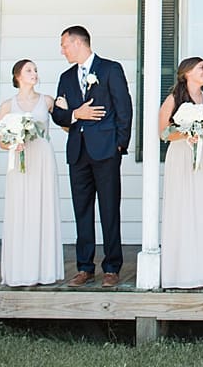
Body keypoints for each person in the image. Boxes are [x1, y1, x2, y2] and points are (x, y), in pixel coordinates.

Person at [51, 25, 133, 288]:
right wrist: (76, 113)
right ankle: (84, 267)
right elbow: (59, 114)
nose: (62, 50)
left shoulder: (110, 69)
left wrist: (119, 145)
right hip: (78, 152)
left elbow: (124, 108)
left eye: (64, 45)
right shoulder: (66, 77)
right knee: (82, 211)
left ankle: (112, 267)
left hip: (106, 150)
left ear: (77, 43)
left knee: (109, 209)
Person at [159, 57, 203, 289]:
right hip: (181, 157)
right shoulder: (173, 100)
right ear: (187, 73)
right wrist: (188, 131)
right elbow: (163, 133)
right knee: (183, 209)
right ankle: (181, 271)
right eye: (202, 68)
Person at [0, 59, 64, 287]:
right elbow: (1, 140)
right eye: (29, 70)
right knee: (21, 209)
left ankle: (44, 268)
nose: (34, 73)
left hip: (43, 157)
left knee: (42, 208)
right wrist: (12, 144)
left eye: (35, 70)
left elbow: (65, 124)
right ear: (18, 75)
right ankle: (20, 268)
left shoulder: (47, 101)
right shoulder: (7, 105)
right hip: (20, 160)